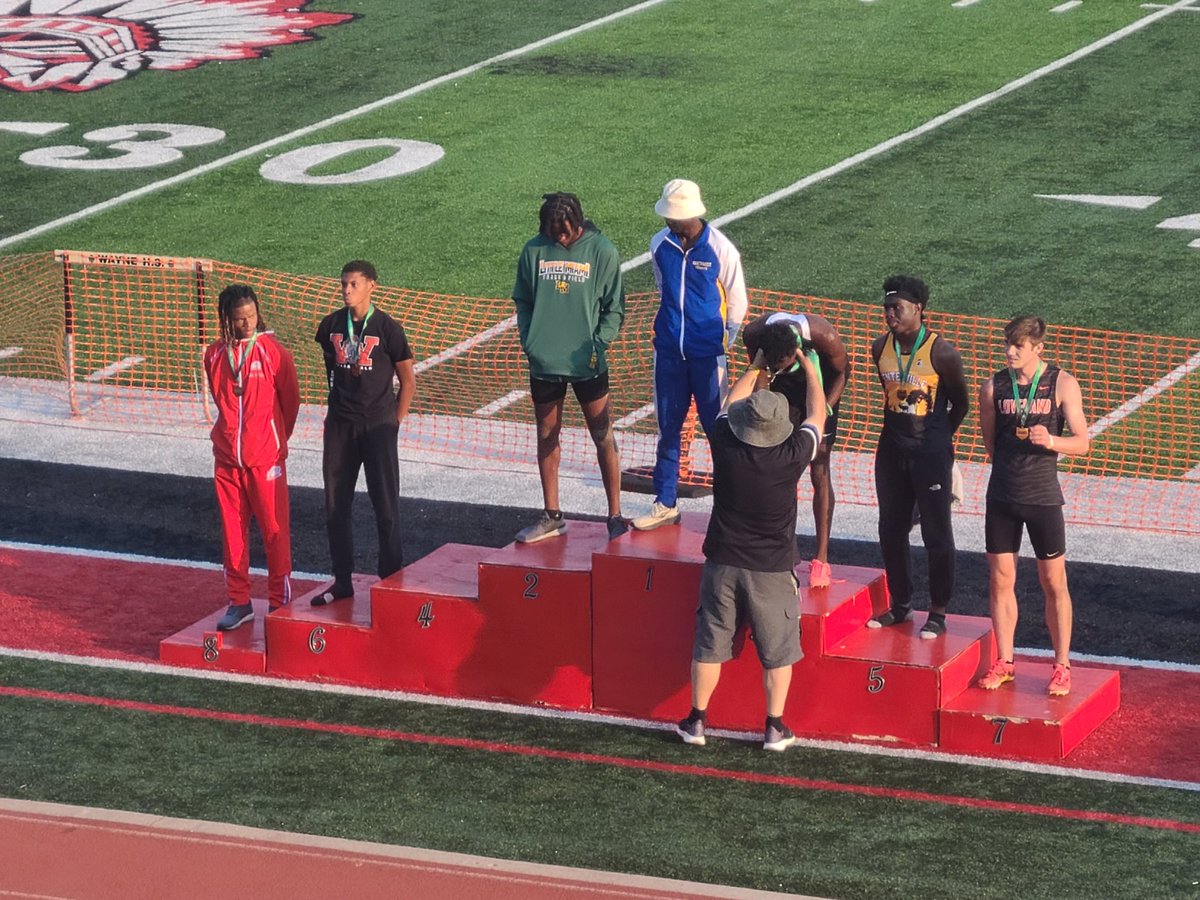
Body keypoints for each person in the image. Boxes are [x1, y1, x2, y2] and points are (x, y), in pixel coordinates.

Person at [675, 353, 827, 752]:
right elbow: (817, 416)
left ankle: (696, 721)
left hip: (722, 561)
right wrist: (810, 368)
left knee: (709, 644)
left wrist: (756, 365)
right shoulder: (792, 454)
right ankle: (775, 727)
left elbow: (728, 404)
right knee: (777, 651)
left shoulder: (725, 442)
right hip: (772, 569)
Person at [976, 316, 1090, 697]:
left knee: (1054, 582)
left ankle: (1061, 665)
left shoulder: (1062, 383)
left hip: (1043, 497)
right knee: (1000, 579)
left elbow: (1083, 443)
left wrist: (1052, 441)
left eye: (1018, 346)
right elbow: (991, 443)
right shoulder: (993, 386)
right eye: (1008, 344)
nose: (1010, 352)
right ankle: (1006, 660)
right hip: (1003, 497)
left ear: (1038, 348)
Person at [632, 179, 748, 532]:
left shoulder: (721, 249)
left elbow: (737, 300)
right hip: (668, 353)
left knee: (719, 432)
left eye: (674, 217)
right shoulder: (659, 244)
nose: (669, 222)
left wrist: (723, 341)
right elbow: (662, 287)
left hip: (707, 357)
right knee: (668, 429)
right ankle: (665, 502)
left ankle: (731, 507)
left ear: (690, 216)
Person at [512, 191, 627, 543]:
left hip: (588, 364)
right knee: (547, 434)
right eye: (553, 231)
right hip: (544, 363)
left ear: (578, 223)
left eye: (565, 230)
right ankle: (552, 514)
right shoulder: (533, 250)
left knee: (603, 434)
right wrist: (529, 340)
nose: (560, 237)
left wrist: (599, 343)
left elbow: (614, 308)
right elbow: (524, 301)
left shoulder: (602, 250)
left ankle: (615, 515)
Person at [868, 275, 968, 639]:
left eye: (898, 308)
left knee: (936, 533)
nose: (890, 314)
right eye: (887, 308)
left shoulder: (942, 352)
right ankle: (901, 605)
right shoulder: (880, 348)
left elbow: (962, 403)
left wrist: (938, 439)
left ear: (919, 310)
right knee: (890, 530)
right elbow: (889, 393)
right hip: (891, 451)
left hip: (930, 455)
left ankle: (938, 611)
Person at [313, 260, 416, 605]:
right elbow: (331, 370)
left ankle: (391, 579)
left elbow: (408, 380)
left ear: (372, 285)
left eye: (353, 284)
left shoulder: (388, 328)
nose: (346, 290)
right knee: (334, 506)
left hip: (378, 426)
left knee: (385, 505)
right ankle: (342, 580)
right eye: (343, 284)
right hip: (340, 426)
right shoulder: (330, 326)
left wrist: (394, 421)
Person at [203, 284, 300, 631]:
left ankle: (279, 602)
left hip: (266, 460)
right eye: (239, 319)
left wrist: (274, 442)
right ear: (226, 320)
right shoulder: (214, 355)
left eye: (251, 317)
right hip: (227, 461)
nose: (247, 324)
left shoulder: (274, 352)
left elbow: (291, 402)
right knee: (233, 534)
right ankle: (239, 602)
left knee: (275, 531)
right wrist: (233, 440)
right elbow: (221, 401)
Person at [740, 311, 849, 588]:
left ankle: (822, 558)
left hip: (821, 385)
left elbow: (842, 372)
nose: (778, 367)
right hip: (784, 391)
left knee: (819, 470)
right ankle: (781, 550)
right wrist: (766, 401)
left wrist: (824, 409)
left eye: (784, 364)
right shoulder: (753, 333)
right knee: (778, 469)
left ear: (797, 350)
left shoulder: (824, 335)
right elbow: (761, 372)